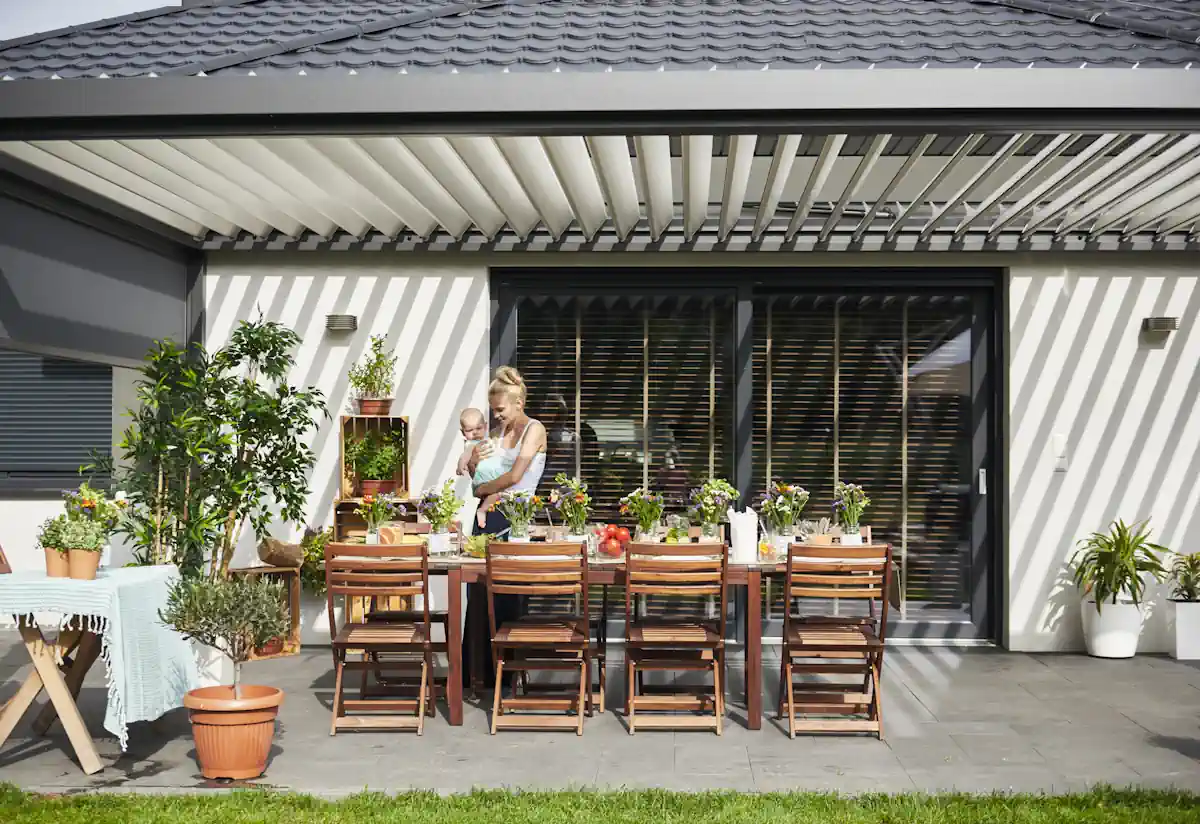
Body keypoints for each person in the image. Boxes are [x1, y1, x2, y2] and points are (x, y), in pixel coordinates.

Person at [462, 366, 547, 688]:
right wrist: (472, 465)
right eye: (493, 410)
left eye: (500, 409)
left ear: (519, 402)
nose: (496, 415)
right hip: (487, 517)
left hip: (516, 519)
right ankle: (476, 674)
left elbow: (514, 478)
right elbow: (478, 477)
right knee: (478, 593)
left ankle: (508, 675)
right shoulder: (496, 436)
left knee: (508, 596)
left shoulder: (534, 430)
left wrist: (482, 490)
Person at [454, 407, 505, 528]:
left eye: (479, 428)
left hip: (490, 477)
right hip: (483, 479)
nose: (475, 432)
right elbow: (464, 456)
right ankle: (482, 510)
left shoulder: (488, 440)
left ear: (486, 426)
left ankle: (483, 510)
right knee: (497, 493)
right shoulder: (471, 444)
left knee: (498, 494)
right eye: (470, 430)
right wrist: (460, 467)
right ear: (463, 432)